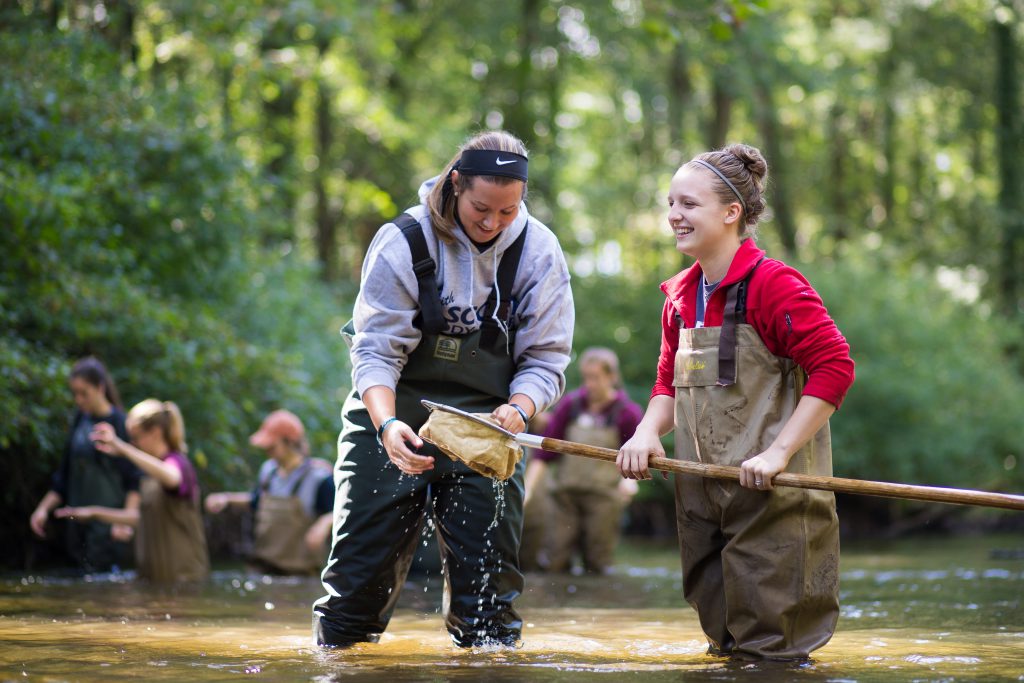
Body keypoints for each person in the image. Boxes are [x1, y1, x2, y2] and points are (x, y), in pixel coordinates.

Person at [312, 130, 574, 648]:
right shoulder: (402, 240)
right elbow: (375, 351)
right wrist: (386, 425)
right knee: (355, 589)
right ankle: (340, 659)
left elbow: (546, 360)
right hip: (391, 414)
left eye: (508, 211)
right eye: (482, 207)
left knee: (490, 607)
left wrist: (520, 410)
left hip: (487, 426)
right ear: (456, 183)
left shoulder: (539, 250)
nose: (493, 223)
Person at [617, 144, 855, 661]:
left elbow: (835, 368)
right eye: (671, 203)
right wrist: (644, 435)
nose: (673, 215)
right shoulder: (679, 297)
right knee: (724, 653)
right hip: (701, 498)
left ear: (732, 213)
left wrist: (779, 453)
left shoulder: (776, 285)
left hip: (773, 498)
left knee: (773, 658)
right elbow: (665, 387)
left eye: (688, 204)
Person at [55, 399, 210, 583]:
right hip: (157, 580)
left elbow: (172, 477)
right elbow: (139, 518)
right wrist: (93, 513)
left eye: (136, 438)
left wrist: (122, 448)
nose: (134, 444)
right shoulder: (149, 474)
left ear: (155, 432)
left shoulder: (178, 463)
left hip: (184, 580)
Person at [523, 347, 643, 574]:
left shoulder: (627, 413)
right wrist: (527, 490)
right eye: (587, 377)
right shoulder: (570, 406)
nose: (590, 384)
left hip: (604, 498)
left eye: (596, 377)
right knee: (555, 560)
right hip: (566, 497)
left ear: (612, 377)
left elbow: (636, 455)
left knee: (597, 562)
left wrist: (630, 481)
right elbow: (545, 452)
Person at [29, 357, 141, 572]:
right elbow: (63, 477)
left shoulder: (121, 424)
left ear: (100, 388)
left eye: (84, 393)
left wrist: (125, 521)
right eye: (75, 393)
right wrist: (42, 510)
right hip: (76, 526)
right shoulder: (80, 420)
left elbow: (134, 481)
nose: (78, 400)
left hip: (108, 533)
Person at [205, 409, 335, 575]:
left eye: (272, 446)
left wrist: (323, 524)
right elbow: (256, 501)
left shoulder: (319, 477)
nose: (267, 451)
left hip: (301, 573)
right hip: (263, 567)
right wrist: (227, 499)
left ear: (290, 442)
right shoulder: (268, 471)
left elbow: (339, 512)